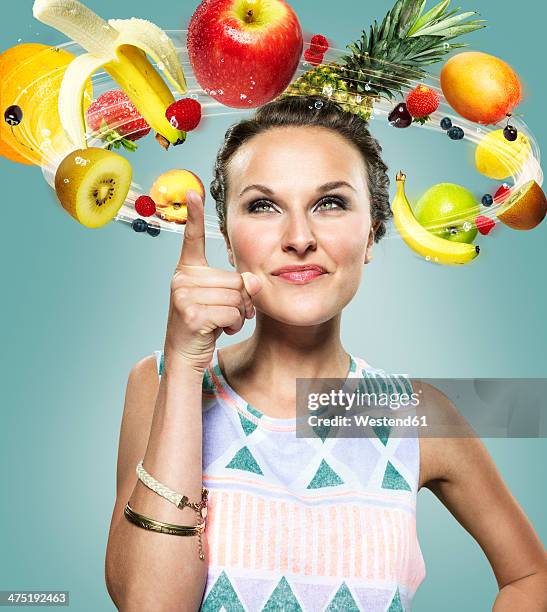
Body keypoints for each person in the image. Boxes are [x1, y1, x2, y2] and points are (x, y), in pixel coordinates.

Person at [104, 94, 547, 611]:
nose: (299, 237)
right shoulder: (159, 381)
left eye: (331, 202)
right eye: (263, 205)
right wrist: (184, 365)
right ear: (228, 239)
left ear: (372, 233)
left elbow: (530, 576)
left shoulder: (414, 413)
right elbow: (151, 605)